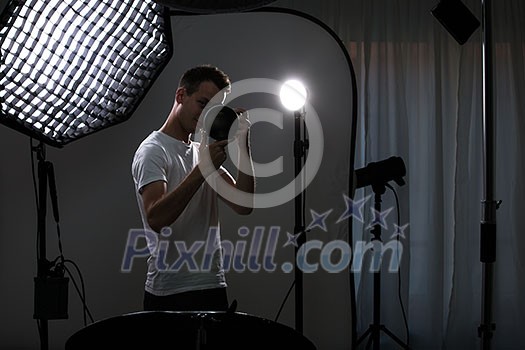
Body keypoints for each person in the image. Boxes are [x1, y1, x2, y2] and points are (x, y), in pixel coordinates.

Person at [131, 64, 255, 312]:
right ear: (181, 96)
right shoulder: (153, 150)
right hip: (169, 291)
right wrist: (202, 170)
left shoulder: (201, 152)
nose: (206, 114)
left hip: (211, 284)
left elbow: (243, 205)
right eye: (202, 103)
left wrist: (242, 147)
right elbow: (156, 218)